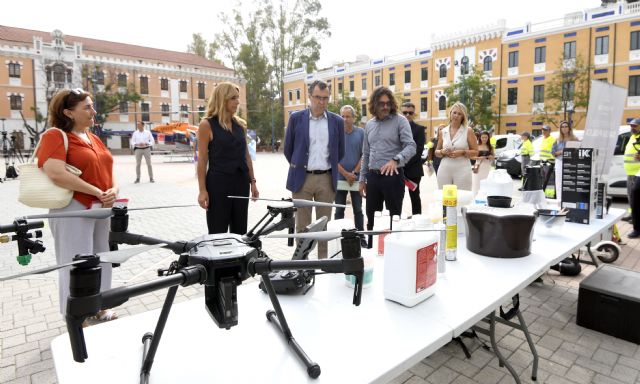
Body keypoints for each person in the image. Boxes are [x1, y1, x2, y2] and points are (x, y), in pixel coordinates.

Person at [37, 88, 118, 321]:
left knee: (102, 259)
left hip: (100, 208)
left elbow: (109, 171)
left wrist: (113, 190)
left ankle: (100, 306)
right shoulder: (55, 136)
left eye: (92, 105)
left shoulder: (93, 138)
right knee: (74, 263)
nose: (94, 111)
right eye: (87, 107)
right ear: (68, 113)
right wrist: (97, 192)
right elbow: (56, 173)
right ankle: (75, 315)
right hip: (72, 208)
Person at [285, 80, 345, 259]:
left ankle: (323, 264)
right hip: (302, 179)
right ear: (309, 97)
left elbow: (339, 152)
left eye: (325, 98)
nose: (322, 102)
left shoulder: (337, 121)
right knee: (302, 226)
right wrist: (299, 166)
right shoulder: (296, 119)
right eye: (318, 97)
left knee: (324, 226)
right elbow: (289, 149)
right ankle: (302, 264)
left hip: (326, 179)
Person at [197, 82, 259, 235]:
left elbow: (246, 156)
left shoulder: (240, 126)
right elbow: (202, 160)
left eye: (237, 98)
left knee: (240, 232)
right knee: (218, 232)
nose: (237, 102)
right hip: (218, 185)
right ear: (221, 99)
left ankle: (237, 259)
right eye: (233, 98)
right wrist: (202, 190)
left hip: (241, 183)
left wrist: (253, 183)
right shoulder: (207, 125)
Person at [359, 86, 416, 232]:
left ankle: (391, 252)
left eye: (388, 103)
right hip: (373, 178)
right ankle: (372, 249)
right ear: (374, 104)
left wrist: (395, 160)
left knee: (394, 220)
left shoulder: (400, 121)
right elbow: (365, 154)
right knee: (371, 219)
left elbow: (411, 146)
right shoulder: (369, 125)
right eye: (381, 103)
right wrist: (361, 180)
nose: (385, 107)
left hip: (393, 177)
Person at [334, 105, 366, 246]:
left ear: (353, 118)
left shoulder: (361, 133)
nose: (345, 119)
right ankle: (338, 237)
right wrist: (346, 174)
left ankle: (361, 238)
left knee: (358, 210)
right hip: (340, 178)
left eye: (348, 116)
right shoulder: (335, 133)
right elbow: (332, 157)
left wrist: (354, 173)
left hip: (356, 178)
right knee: (339, 209)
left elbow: (365, 155)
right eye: (343, 116)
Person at [434, 102, 478, 191]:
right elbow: (436, 152)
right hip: (444, 169)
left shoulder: (468, 130)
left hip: (463, 169)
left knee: (461, 197)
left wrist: (462, 152)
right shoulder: (443, 131)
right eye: (454, 113)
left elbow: (476, 151)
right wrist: (442, 152)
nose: (456, 116)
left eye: (459, 114)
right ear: (450, 113)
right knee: (445, 198)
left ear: (463, 117)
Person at [401, 102, 426, 215]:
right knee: (396, 197)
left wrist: (401, 163)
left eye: (410, 113)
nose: (407, 115)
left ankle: (417, 220)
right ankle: (396, 221)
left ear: (413, 114)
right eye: (404, 112)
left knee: (415, 197)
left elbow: (418, 151)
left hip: (413, 170)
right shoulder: (396, 128)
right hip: (397, 170)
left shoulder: (419, 129)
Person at [552, 120, 579, 201]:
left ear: (569, 128)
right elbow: (553, 153)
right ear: (560, 129)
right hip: (560, 162)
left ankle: (570, 199)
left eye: (566, 126)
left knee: (570, 181)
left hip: (571, 162)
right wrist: (561, 152)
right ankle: (559, 201)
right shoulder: (557, 140)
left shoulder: (575, 139)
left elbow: (578, 151)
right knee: (559, 182)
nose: (564, 128)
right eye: (562, 127)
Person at [623, 118, 640, 226]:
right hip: (630, 171)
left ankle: (635, 217)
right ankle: (631, 214)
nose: (632, 128)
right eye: (631, 126)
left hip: (637, 172)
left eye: (635, 126)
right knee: (630, 195)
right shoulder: (632, 137)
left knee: (635, 196)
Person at [471, 131, 495, 197]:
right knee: (477, 182)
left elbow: (494, 157)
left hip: (487, 167)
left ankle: (485, 196)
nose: (484, 139)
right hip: (479, 166)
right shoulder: (476, 146)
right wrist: (479, 158)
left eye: (486, 137)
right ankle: (476, 196)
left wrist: (491, 157)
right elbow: (471, 157)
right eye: (482, 137)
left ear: (488, 138)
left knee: (486, 182)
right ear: (480, 137)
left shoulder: (490, 147)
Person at [539, 125, 556, 198]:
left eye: (545, 130)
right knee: (543, 179)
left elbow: (555, 151)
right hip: (543, 162)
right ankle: (543, 193)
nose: (543, 131)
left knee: (549, 179)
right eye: (542, 130)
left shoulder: (553, 139)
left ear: (549, 131)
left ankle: (551, 194)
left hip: (550, 162)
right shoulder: (543, 139)